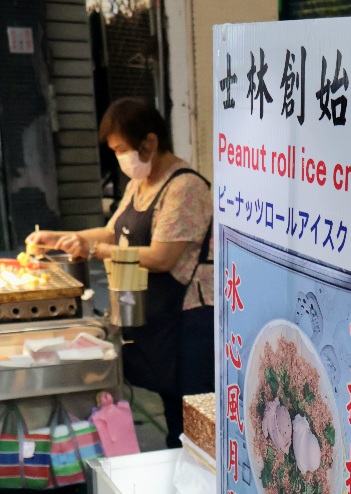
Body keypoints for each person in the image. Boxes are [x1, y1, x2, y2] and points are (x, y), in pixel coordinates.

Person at [27, 98, 214, 448]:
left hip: (190, 320)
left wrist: (94, 251)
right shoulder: (140, 185)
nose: (120, 159)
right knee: (170, 409)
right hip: (159, 314)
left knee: (193, 422)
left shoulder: (185, 188)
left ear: (150, 142)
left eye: (122, 149)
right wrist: (64, 239)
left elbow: (162, 257)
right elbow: (114, 231)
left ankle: (198, 490)